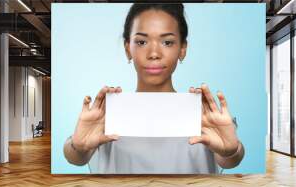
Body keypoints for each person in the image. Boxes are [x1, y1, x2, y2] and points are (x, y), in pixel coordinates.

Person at [63, 3, 244, 174]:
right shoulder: (106, 114)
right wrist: (78, 147)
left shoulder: (205, 114)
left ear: (182, 49)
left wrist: (231, 150)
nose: (154, 54)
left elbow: (230, 159)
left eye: (167, 42)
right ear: (128, 48)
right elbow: (76, 157)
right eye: (141, 42)